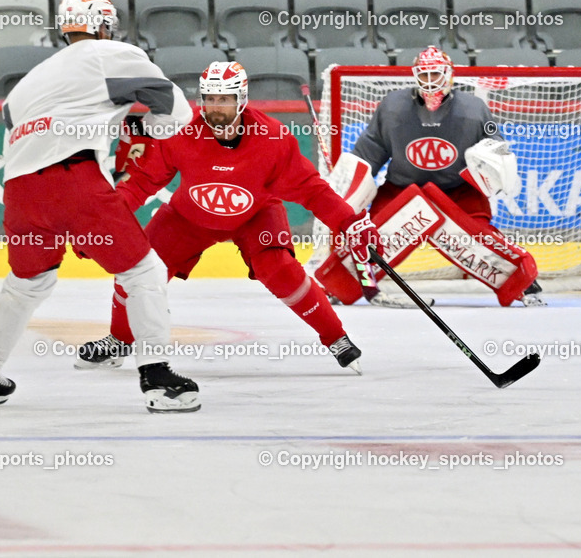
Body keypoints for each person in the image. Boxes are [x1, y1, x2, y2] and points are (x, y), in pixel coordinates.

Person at [0, 0, 201, 413]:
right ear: (103, 26)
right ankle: (158, 377)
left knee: (27, 284)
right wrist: (144, 132)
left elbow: (36, 130)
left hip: (20, 193)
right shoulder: (111, 54)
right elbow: (177, 112)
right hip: (73, 180)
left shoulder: (24, 86)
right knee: (143, 271)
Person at [75, 61, 382, 374]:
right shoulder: (179, 130)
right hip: (188, 216)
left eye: (224, 99)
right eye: (209, 98)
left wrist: (350, 222)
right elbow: (141, 182)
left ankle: (336, 338)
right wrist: (102, 223)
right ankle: (118, 339)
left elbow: (313, 191)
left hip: (255, 214)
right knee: (138, 267)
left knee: (280, 269)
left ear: (242, 99)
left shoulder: (273, 139)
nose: (215, 107)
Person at [320, 45, 543, 307]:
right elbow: (368, 154)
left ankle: (522, 281)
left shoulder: (473, 110)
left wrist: (489, 168)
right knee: (372, 235)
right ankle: (339, 283)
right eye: (424, 75)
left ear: (448, 75)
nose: (429, 81)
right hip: (401, 189)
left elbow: (497, 151)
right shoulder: (392, 107)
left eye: (435, 74)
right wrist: (348, 187)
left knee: (477, 237)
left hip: (457, 191)